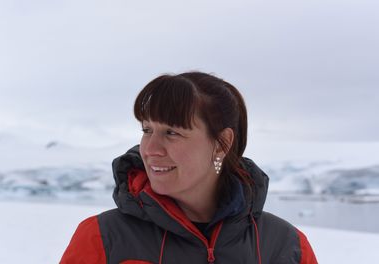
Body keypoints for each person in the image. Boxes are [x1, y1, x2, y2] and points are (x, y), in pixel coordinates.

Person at [60, 72, 318, 264]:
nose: (150, 148)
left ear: (222, 143)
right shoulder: (103, 237)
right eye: (147, 130)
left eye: (171, 132)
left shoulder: (286, 246)